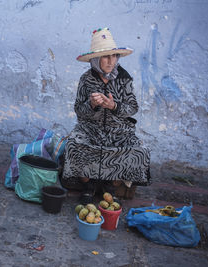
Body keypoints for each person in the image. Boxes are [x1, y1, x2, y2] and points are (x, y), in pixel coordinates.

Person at [62, 28, 150, 204]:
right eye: (105, 57)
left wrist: (114, 106)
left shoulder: (124, 78)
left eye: (114, 56)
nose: (111, 61)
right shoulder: (86, 79)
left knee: (138, 151)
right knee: (73, 145)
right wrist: (92, 105)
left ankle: (110, 185)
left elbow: (133, 108)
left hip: (119, 130)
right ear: (96, 59)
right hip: (90, 128)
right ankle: (88, 185)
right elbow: (78, 109)